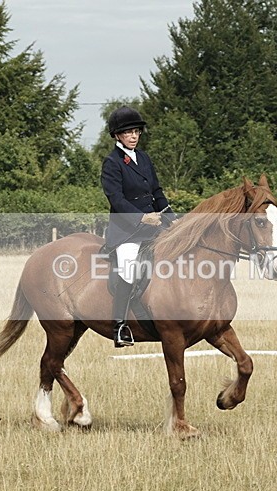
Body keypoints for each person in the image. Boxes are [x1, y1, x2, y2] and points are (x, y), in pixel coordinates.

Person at [101, 105, 174, 348]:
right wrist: (142, 217)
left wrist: (172, 218)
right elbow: (117, 200)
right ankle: (120, 326)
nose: (134, 136)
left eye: (136, 132)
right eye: (128, 132)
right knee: (129, 269)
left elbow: (156, 191)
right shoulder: (111, 163)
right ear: (117, 135)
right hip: (126, 231)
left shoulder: (143, 158)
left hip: (154, 227)